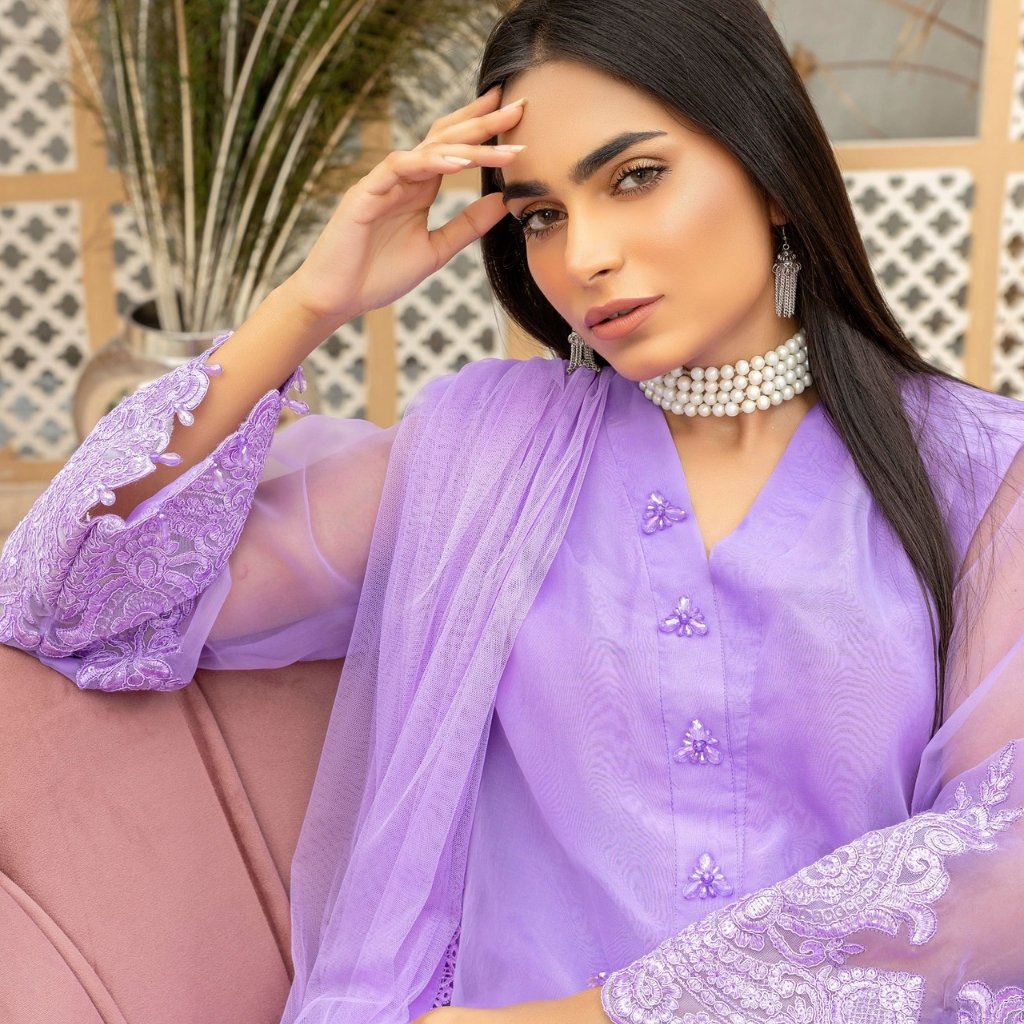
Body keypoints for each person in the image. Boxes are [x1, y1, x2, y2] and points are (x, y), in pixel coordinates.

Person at [2, 0, 1023, 1021]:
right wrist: (310, 300)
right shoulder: (480, 455)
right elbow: (75, 603)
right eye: (541, 215)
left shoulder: (982, 475)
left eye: (635, 177)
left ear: (769, 172)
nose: (584, 255)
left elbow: (996, 861)